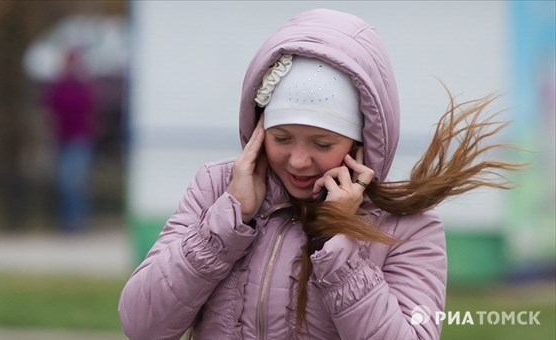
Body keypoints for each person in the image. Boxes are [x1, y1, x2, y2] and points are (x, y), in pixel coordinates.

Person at [118, 9, 521, 339]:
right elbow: (141, 325)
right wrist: (229, 221)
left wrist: (340, 238)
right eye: (281, 137)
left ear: (363, 139)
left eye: (322, 144)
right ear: (258, 128)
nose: (297, 160)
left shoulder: (407, 225)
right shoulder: (216, 190)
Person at [44, 49, 96, 232]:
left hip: (78, 140)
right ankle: (68, 221)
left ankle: (76, 222)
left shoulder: (82, 86)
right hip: (63, 139)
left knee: (73, 182)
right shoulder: (61, 85)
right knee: (66, 183)